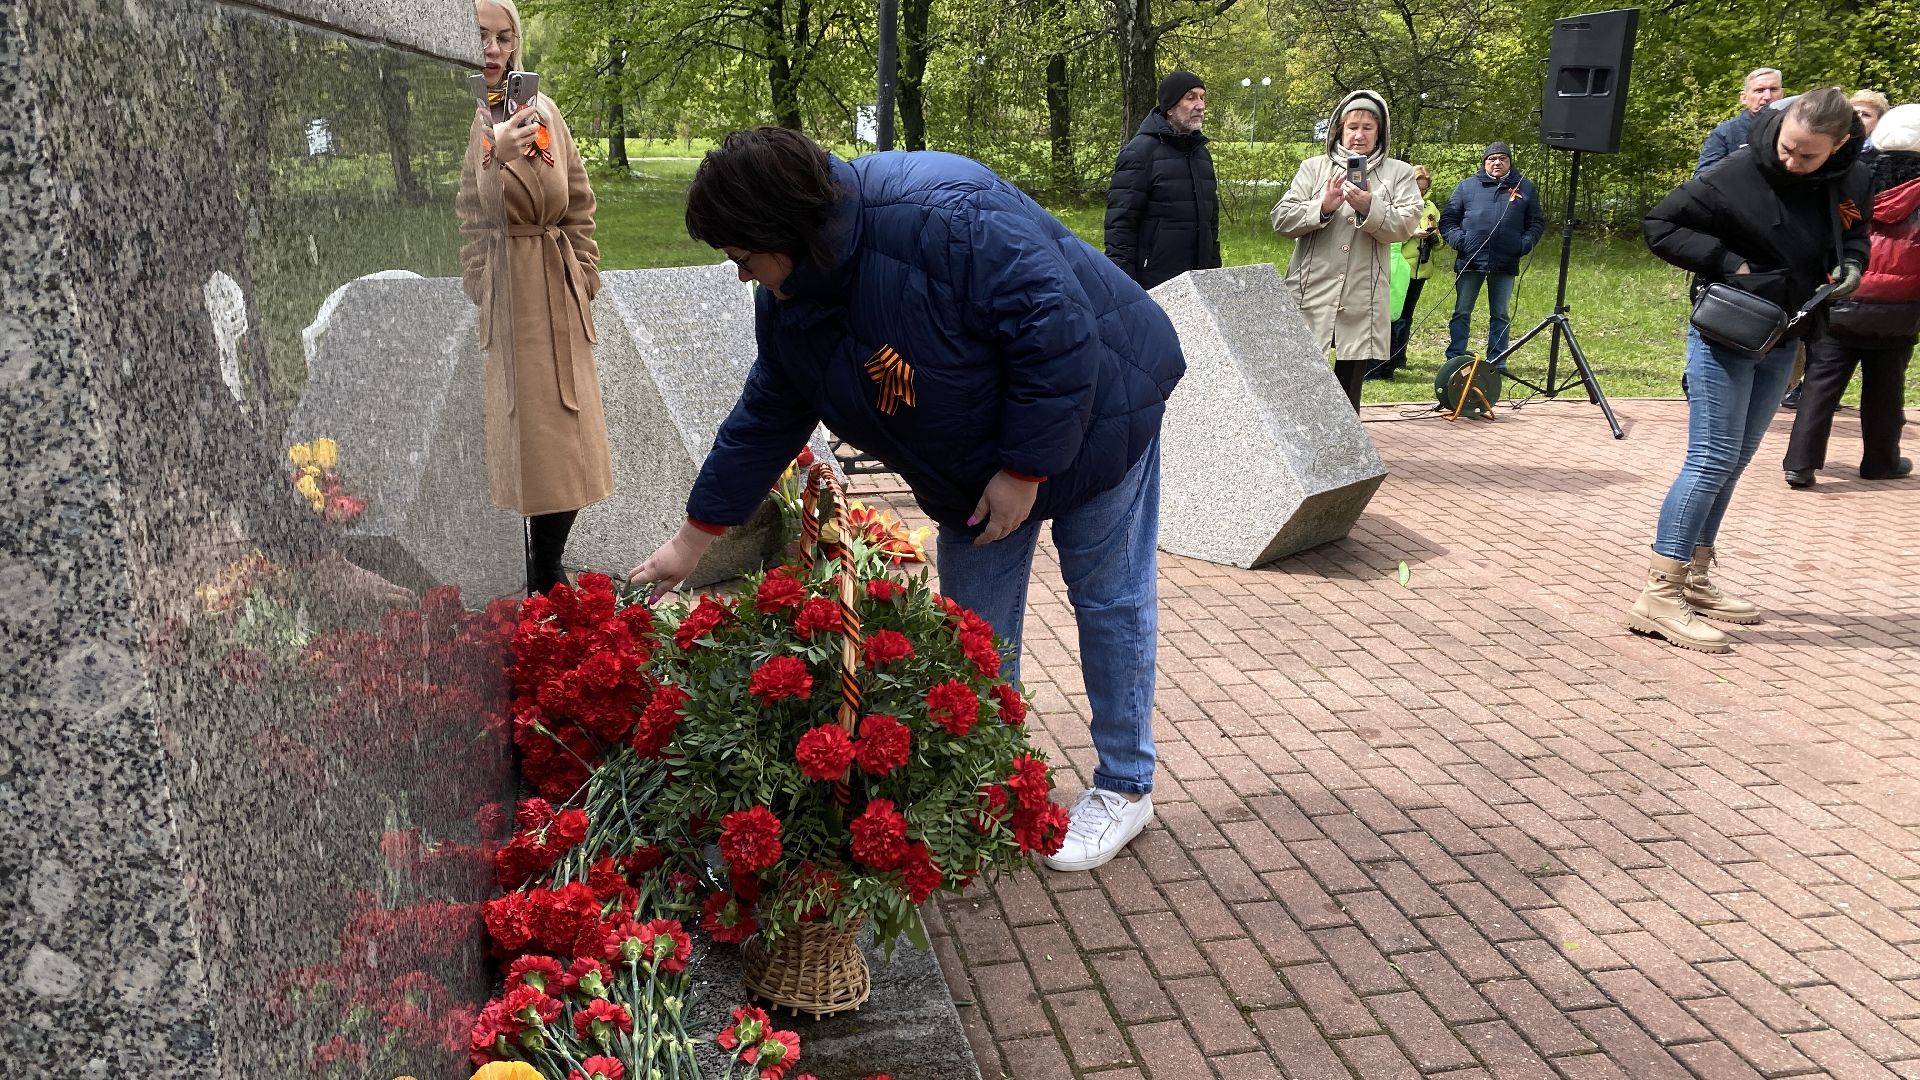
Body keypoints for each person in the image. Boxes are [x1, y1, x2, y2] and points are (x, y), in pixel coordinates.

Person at [628, 128, 1186, 873]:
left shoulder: (943, 214)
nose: (741, 277)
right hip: (982, 463)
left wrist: (1023, 471)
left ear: (781, 230)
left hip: (1105, 407)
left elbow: (1056, 334)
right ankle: (993, 780)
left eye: (742, 257)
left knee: (1108, 598)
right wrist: (693, 538)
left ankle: (1125, 786)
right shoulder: (791, 294)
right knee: (973, 630)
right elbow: (769, 411)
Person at [1632, 88, 1868, 652]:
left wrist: (1853, 262)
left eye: (1808, 155)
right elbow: (1660, 224)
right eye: (1789, 148)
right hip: (1726, 329)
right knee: (1711, 457)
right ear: (1781, 127)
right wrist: (1728, 264)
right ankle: (1658, 595)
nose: (1792, 162)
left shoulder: (1851, 178)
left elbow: (1854, 229)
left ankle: (1694, 579)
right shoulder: (1734, 172)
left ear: (1837, 145)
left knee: (1736, 459)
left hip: (1787, 332)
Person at [457, 0, 613, 594]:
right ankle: (533, 564)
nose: (494, 50)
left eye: (503, 38)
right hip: (511, 291)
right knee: (526, 438)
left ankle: (548, 557)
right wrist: (481, 281)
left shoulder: (543, 109)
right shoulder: (474, 118)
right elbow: (475, 213)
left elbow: (578, 198)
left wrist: (585, 272)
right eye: (482, 38)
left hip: (557, 285)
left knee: (570, 439)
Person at [1784, 102, 1920, 488]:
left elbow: (1829, 230)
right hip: (1900, 309)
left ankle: (1800, 462)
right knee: (1886, 389)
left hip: (1842, 296)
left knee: (1820, 383)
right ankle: (1881, 460)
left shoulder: (1852, 178)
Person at [1270, 91, 1422, 408]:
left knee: (1348, 391)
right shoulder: (1314, 168)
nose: (1359, 135)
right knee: (1301, 383)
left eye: (1368, 127)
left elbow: (1406, 225)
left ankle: (1345, 452)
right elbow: (1282, 219)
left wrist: (1370, 207)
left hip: (1360, 298)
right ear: (1339, 129)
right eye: (1352, 126)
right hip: (1313, 292)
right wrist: (1322, 208)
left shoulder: (1399, 173)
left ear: (1380, 132)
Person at [1104, 71, 1221, 290]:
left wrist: (1213, 273)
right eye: (1190, 97)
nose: (1200, 105)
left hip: (1199, 281)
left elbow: (1211, 224)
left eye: (1202, 97)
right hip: (1154, 283)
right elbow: (1120, 225)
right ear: (1169, 107)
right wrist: (1124, 286)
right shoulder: (1140, 153)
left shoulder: (1201, 155)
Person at [1439, 143, 1545, 367]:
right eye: (1492, 159)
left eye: (1502, 159)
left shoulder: (1525, 187)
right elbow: (1448, 220)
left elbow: (1535, 222)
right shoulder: (1467, 187)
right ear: (1485, 162)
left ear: (1509, 162)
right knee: (1462, 311)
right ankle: (1455, 358)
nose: (1497, 162)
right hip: (1471, 260)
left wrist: (1522, 244)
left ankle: (1497, 361)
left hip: (1505, 262)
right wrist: (1461, 241)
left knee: (1501, 314)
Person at [1381, 164, 1441, 378]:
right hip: (1399, 268)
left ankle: (1400, 357)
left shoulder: (1431, 208)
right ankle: (1386, 359)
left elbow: (1440, 240)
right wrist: (1411, 233)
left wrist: (1435, 238)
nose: (1421, 193)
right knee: (1392, 314)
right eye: (1417, 188)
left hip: (1420, 269)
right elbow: (1388, 234)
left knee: (1407, 316)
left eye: (1424, 189)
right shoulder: (1396, 204)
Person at [1697, 66, 1785, 176]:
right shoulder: (1725, 133)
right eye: (1759, 91)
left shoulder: (1795, 129)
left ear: (1782, 94)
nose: (1767, 96)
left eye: (1773, 89)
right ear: (1744, 98)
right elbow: (1703, 179)